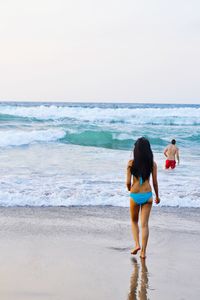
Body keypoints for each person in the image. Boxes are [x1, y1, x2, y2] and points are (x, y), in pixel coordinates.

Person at [126, 137, 160, 259]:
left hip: (135, 195)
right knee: (144, 224)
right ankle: (143, 252)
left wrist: (130, 189)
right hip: (148, 195)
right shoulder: (152, 164)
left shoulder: (131, 163)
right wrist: (157, 196)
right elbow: (155, 182)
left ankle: (136, 245)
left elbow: (127, 183)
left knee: (134, 221)